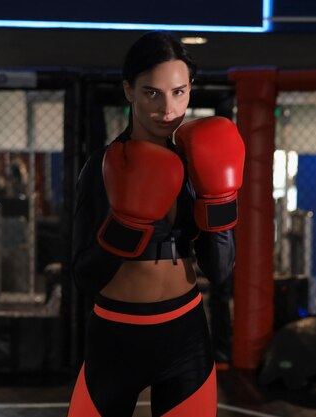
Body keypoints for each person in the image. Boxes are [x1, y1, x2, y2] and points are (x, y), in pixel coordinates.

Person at [67, 31, 244, 417]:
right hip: (116, 338)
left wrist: (218, 201)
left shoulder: (203, 162)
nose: (167, 108)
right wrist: (126, 224)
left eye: (179, 92)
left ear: (190, 90)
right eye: (152, 92)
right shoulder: (101, 167)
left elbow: (219, 270)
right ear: (129, 90)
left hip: (185, 334)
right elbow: (84, 276)